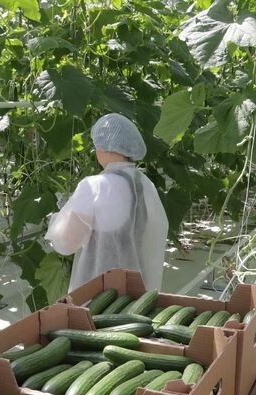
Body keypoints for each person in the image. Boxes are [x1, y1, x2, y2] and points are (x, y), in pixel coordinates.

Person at [46, 113, 169, 292]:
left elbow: (66, 243)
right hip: (136, 287)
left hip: (99, 290)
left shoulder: (94, 186)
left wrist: (61, 216)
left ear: (107, 147)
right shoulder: (143, 183)